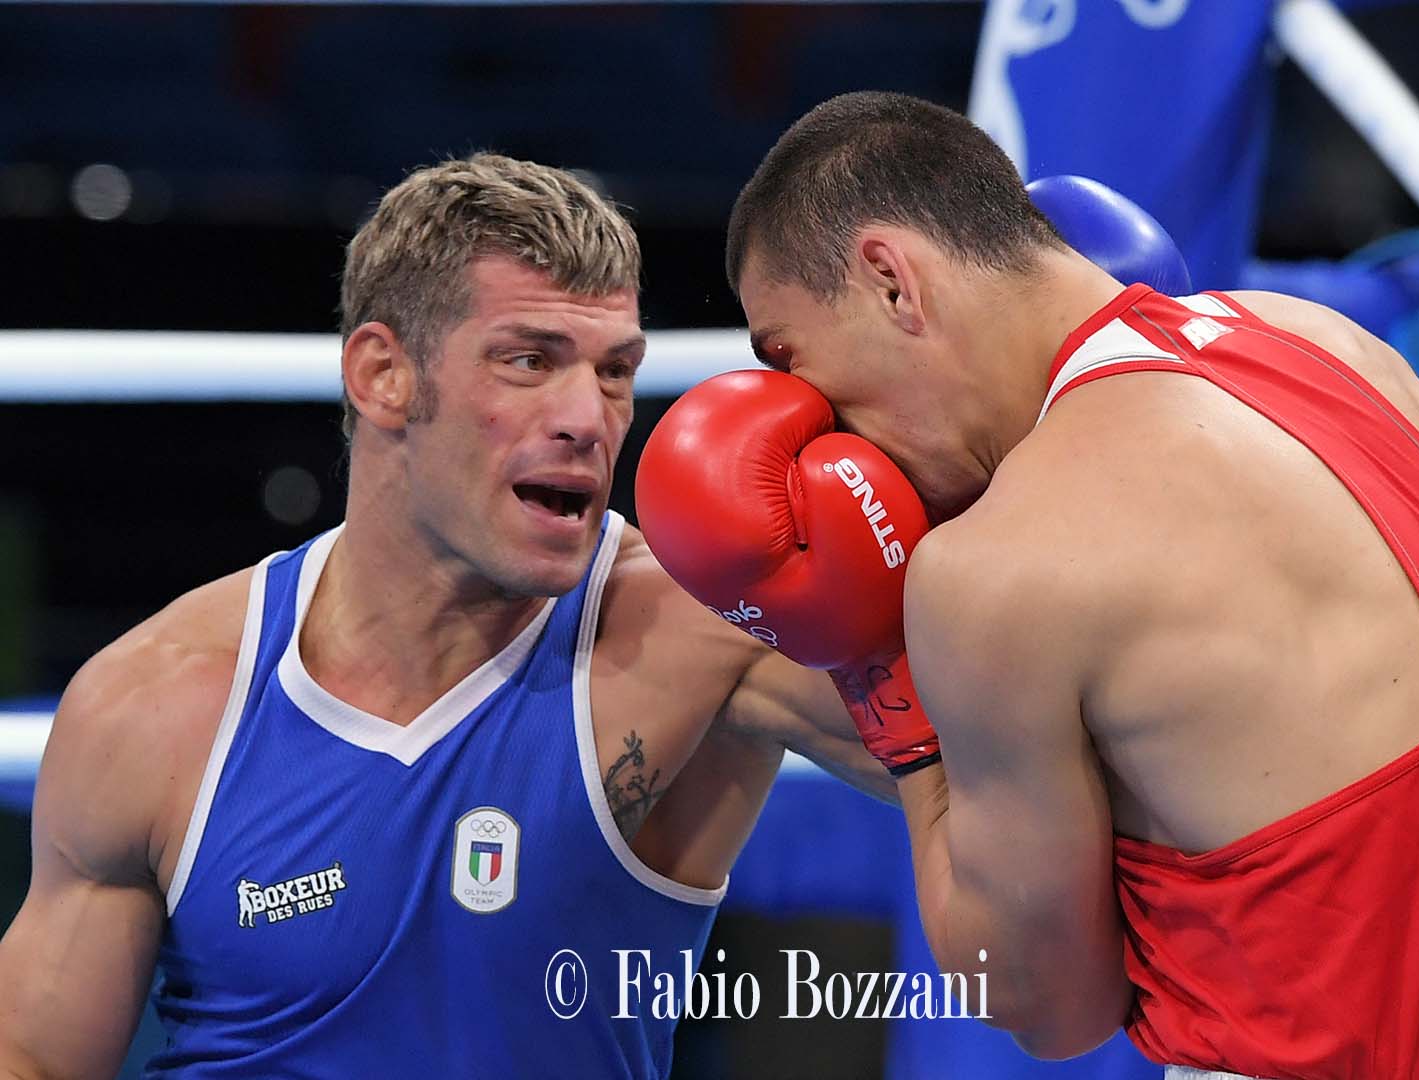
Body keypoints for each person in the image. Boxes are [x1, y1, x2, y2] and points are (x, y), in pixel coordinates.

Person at [637, 92, 1419, 1079]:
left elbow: (1034, 1004)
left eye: (792, 361)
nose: (819, 423)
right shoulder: (1340, 350)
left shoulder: (1004, 567)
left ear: (892, 281)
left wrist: (885, 680)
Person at [0, 153, 889, 1078]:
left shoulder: (699, 625)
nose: (589, 416)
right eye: (530, 360)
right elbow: (33, 1057)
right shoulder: (160, 701)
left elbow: (1011, 761)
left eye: (616, 370)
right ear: (384, 375)